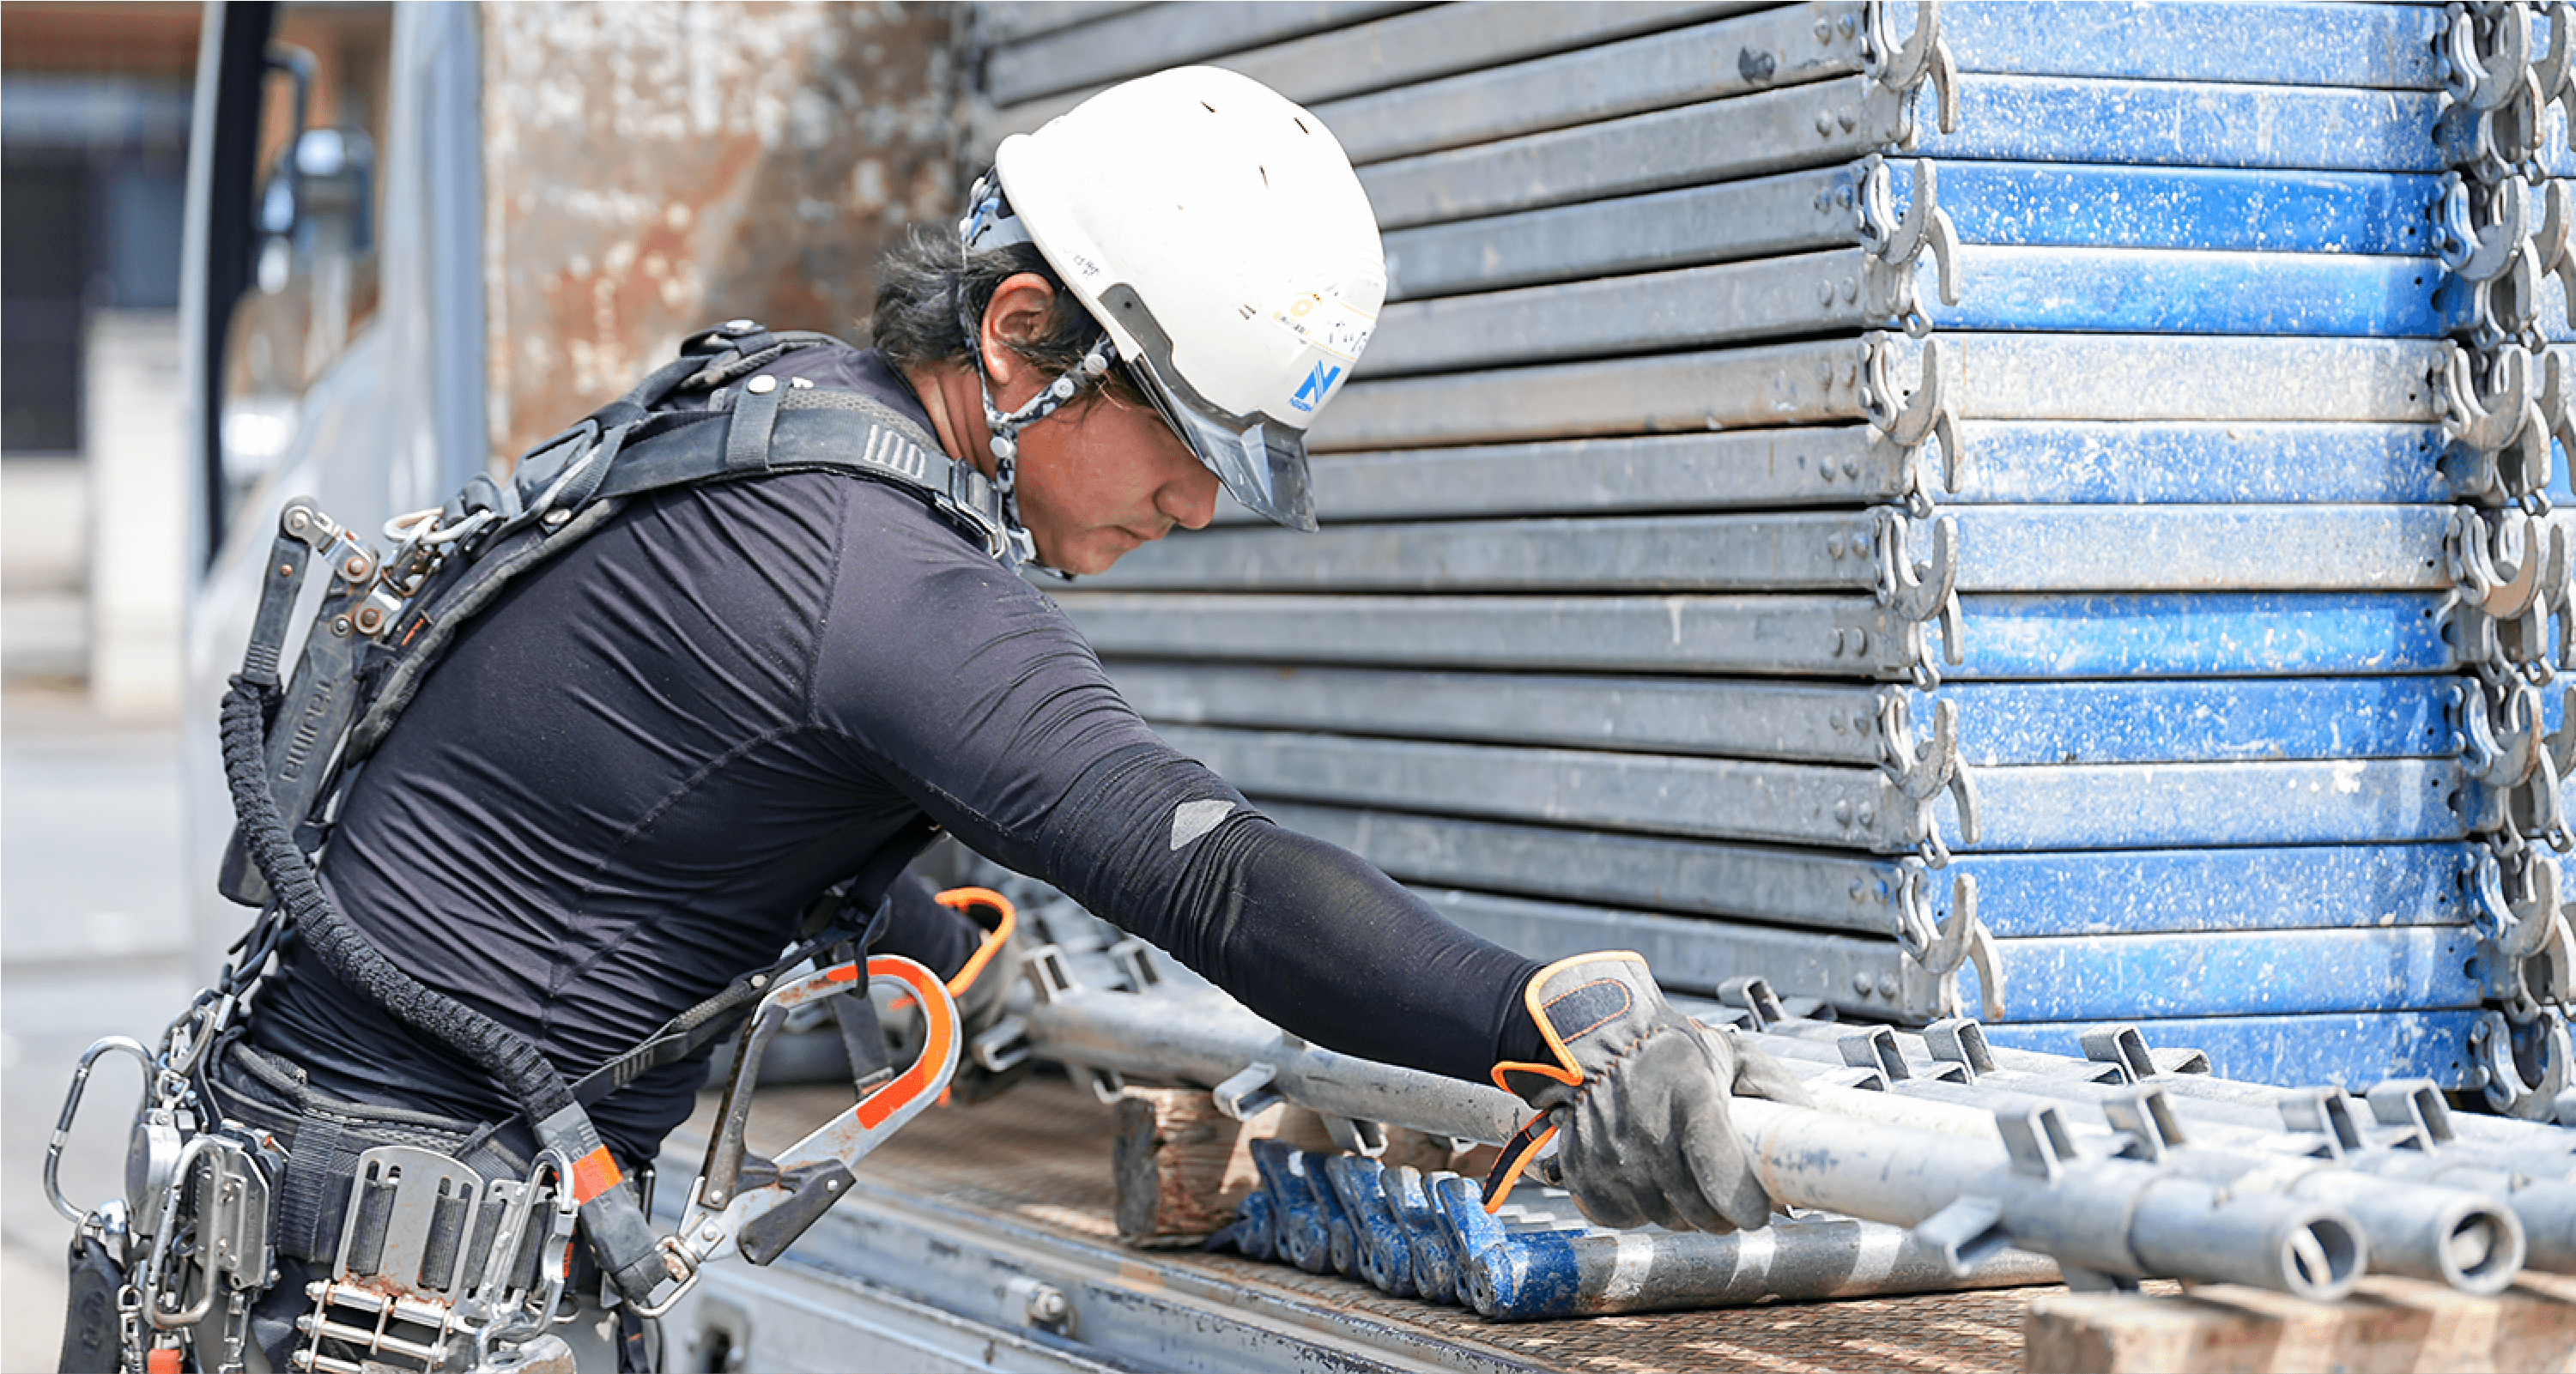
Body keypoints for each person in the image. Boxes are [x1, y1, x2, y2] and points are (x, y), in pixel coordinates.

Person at [206, 66, 1803, 1371]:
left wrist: (928, 929)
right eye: (1181, 441)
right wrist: (1550, 1027)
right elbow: (1213, 876)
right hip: (373, 1271)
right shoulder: (889, 580)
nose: (1194, 505)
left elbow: (664, 774)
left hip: (309, 1196)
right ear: (1022, 333)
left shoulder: (782, 419)